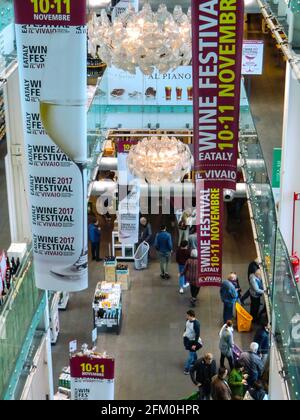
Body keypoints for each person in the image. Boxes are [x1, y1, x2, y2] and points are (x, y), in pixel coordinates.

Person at [183, 310, 201, 374]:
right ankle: (195, 362)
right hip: (187, 339)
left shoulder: (196, 324)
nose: (187, 316)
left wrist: (194, 344)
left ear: (192, 316)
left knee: (191, 356)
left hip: (192, 341)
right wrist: (185, 332)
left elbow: (197, 335)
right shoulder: (188, 320)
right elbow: (186, 327)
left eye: (188, 315)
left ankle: (187, 369)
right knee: (193, 353)